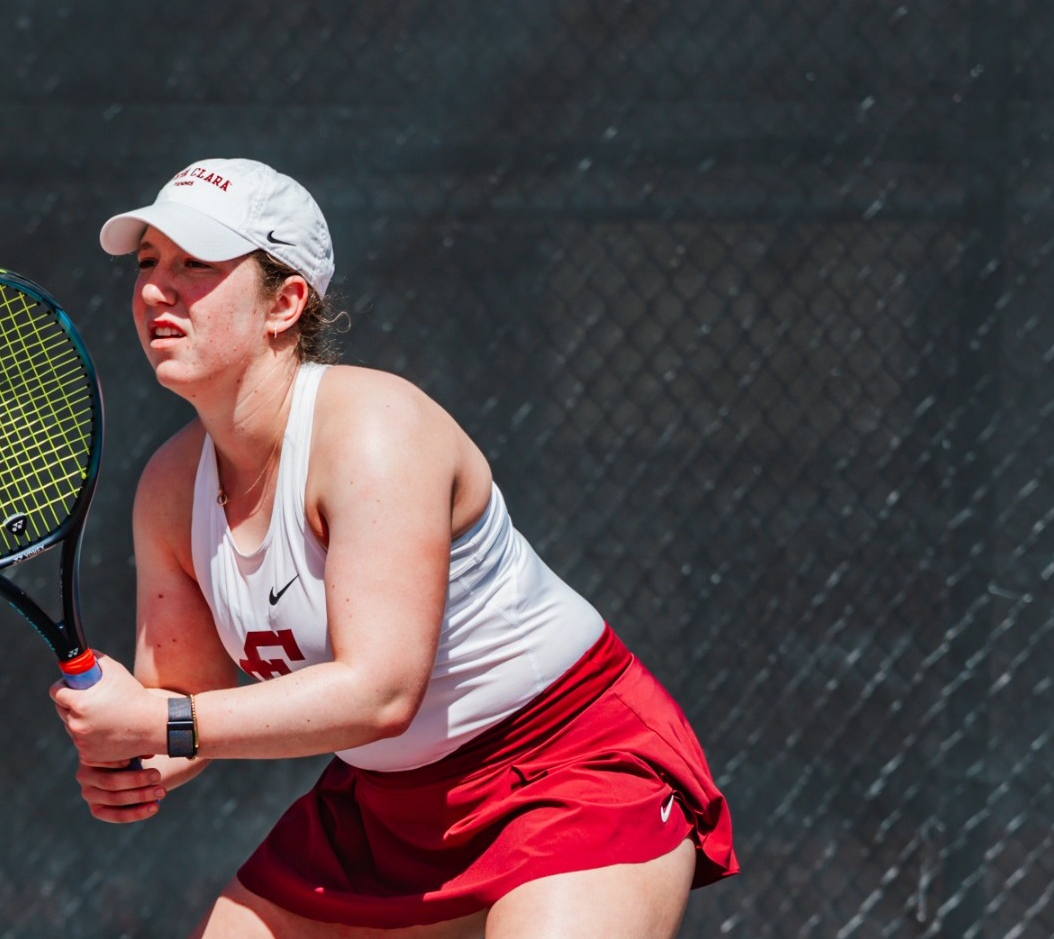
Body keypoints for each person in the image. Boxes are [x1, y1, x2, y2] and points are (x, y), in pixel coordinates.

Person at [52, 158, 738, 938]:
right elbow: (182, 708)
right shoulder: (169, 490)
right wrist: (135, 758)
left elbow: (379, 693)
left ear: (285, 303)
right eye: (147, 262)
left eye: (195, 264)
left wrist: (164, 727)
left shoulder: (376, 432)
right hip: (384, 816)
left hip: (566, 768)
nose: (154, 289)